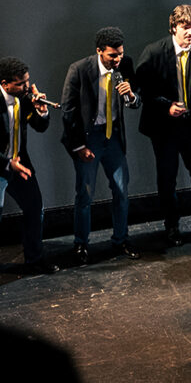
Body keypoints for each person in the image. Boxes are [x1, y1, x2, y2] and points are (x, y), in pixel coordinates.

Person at [136, 5, 191, 247]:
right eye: (186, 27)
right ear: (173, 27)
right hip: (164, 128)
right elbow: (142, 89)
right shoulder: (155, 52)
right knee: (167, 179)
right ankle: (172, 225)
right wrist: (167, 107)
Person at [0, 57, 58, 280]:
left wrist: (42, 111)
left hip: (18, 162)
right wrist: (7, 163)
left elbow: (40, 126)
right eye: (21, 83)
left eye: (28, 81)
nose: (27, 86)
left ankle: (34, 259)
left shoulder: (24, 97)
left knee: (35, 207)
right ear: (6, 84)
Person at [61, 27, 141, 264]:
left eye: (120, 54)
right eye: (112, 56)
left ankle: (121, 239)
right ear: (99, 52)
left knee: (121, 190)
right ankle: (81, 244)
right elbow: (68, 111)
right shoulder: (79, 70)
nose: (117, 59)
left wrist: (132, 96)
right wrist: (78, 146)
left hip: (113, 136)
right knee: (85, 194)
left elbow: (136, 100)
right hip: (89, 138)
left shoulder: (124, 65)